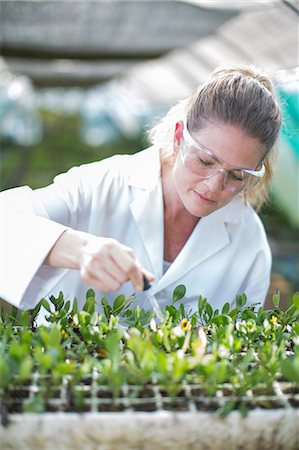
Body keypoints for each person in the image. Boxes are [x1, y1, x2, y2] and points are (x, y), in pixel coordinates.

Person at [0, 64, 282, 318]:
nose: (213, 186)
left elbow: (242, 350)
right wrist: (80, 249)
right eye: (205, 161)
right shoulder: (104, 184)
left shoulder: (249, 241)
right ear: (178, 137)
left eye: (237, 175)